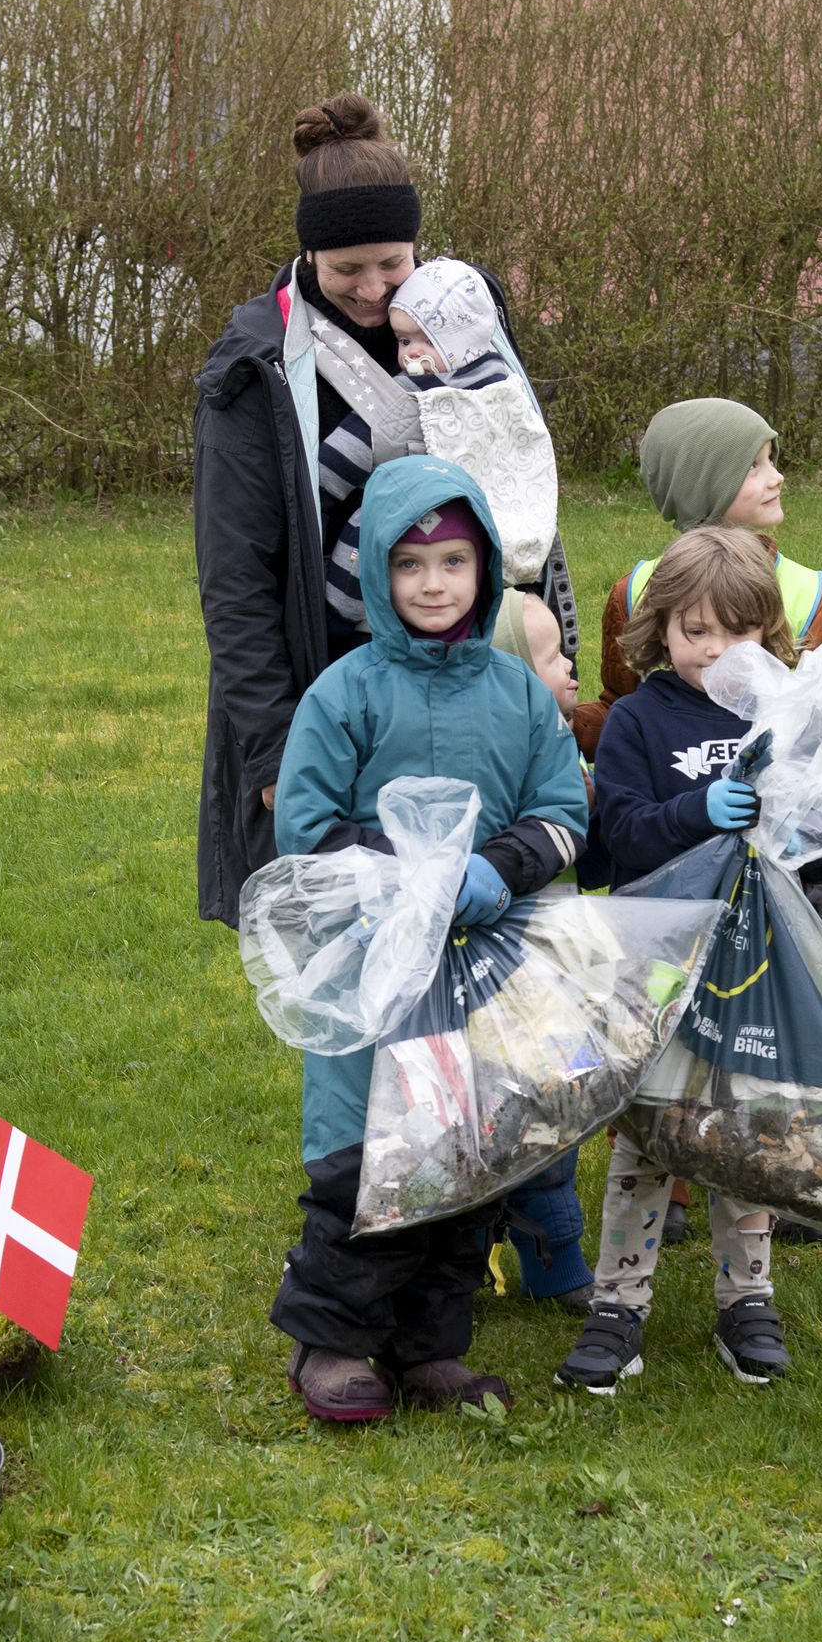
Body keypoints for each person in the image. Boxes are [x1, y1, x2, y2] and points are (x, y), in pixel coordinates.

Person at [192, 92, 579, 928]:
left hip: (472, 683)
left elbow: (515, 485)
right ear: (308, 256)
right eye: (347, 270)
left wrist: (552, 658)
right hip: (333, 695)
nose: (371, 291)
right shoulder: (256, 366)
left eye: (391, 265)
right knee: (358, 956)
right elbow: (235, 580)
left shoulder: (465, 323)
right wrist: (273, 750)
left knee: (489, 951)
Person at [268, 457, 590, 1422]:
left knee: (465, 1147)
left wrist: (497, 869)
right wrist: (402, 876)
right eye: (411, 566)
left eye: (454, 561)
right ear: (376, 573)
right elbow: (305, 824)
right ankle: (332, 1342)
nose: (435, 584)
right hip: (375, 962)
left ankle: (429, 1346)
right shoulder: (345, 693)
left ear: (486, 568)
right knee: (364, 1152)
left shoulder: (520, 694)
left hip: (485, 961)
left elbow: (563, 808)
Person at [555, 526, 822, 1393]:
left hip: (754, 960)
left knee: (742, 1129)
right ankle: (618, 1303)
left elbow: (819, 851)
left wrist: (818, 821)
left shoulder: (784, 709)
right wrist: (700, 810)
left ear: (769, 631)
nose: (715, 649)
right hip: (658, 960)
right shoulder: (642, 719)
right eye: (694, 631)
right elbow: (622, 835)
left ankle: (746, 1299)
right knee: (648, 1133)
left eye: (739, 631)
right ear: (661, 630)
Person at [573, 399, 822, 928]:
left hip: (768, 913)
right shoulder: (637, 593)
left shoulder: (811, 594)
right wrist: (559, 723)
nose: (718, 649)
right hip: (660, 913)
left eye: (739, 630)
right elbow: (618, 704)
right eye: (754, 465)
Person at [479, 589, 595, 1316]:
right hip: (501, 972)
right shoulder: (509, 747)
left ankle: (554, 1249)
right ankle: (467, 1250)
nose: (573, 665)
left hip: (562, 970)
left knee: (560, 1109)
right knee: (489, 1112)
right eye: (553, 654)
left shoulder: (563, 740)